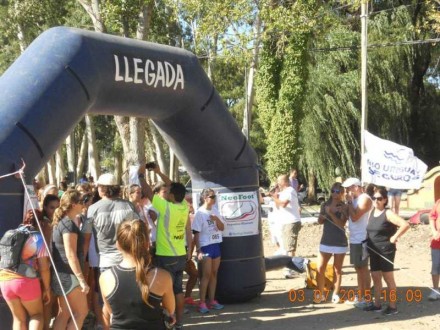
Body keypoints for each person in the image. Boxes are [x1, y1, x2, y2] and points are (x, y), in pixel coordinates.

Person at [140, 164, 192, 329]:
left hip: (166, 256)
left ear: (172, 196)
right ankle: (180, 322)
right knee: (178, 290)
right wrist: (158, 172)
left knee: (165, 291)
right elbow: (175, 187)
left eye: (169, 192)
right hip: (180, 255)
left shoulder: (166, 207)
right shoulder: (183, 205)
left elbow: (148, 192)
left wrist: (141, 177)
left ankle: (168, 322)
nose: (167, 192)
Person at [100, 219, 175, 329]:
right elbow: (170, 309)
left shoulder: (105, 277)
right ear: (147, 244)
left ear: (118, 245)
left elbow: (111, 311)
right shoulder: (162, 276)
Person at [0, 210, 51, 330]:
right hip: (25, 282)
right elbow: (44, 268)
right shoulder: (38, 238)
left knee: (18, 319)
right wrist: (47, 288)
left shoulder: (9, 234)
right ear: (41, 223)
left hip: (5, 281)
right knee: (37, 315)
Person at [364, 186, 409, 315]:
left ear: (384, 200)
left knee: (388, 278)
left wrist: (394, 237)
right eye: (374, 198)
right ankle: (377, 304)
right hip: (373, 249)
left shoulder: (388, 213)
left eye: (379, 198)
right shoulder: (371, 212)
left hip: (385, 250)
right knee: (375, 277)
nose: (376, 201)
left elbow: (405, 225)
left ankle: (393, 306)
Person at [50, 190, 89, 329]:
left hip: (61, 275)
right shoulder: (68, 225)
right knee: (81, 312)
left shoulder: (61, 223)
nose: (83, 205)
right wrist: (82, 280)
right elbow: (70, 255)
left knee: (64, 313)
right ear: (73, 205)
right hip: (69, 275)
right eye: (81, 202)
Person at [192, 188, 225, 313]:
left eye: (214, 196)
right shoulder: (200, 213)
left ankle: (212, 301)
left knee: (214, 274)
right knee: (205, 275)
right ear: (205, 198)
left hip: (216, 244)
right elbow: (196, 233)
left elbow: (222, 228)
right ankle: (201, 303)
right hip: (205, 246)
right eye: (212, 196)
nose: (214, 199)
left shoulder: (216, 210)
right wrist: (198, 250)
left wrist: (216, 220)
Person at [315, 182, 349, 304]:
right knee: (320, 268)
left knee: (337, 269)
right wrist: (324, 215)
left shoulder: (344, 206)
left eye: (338, 191)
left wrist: (331, 213)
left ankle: (335, 294)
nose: (335, 193)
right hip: (326, 240)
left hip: (340, 241)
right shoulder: (325, 204)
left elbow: (341, 225)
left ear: (342, 193)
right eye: (333, 190)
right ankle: (320, 293)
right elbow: (319, 221)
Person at [342, 177, 373, 307]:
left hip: (363, 238)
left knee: (363, 268)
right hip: (354, 237)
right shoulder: (353, 200)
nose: (346, 191)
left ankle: (366, 297)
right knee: (358, 268)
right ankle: (360, 295)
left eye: (348, 188)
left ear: (356, 187)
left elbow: (355, 217)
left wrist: (349, 203)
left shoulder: (365, 199)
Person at [269, 174, 302, 278]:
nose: (278, 183)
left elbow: (283, 204)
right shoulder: (283, 193)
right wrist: (276, 197)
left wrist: (275, 198)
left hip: (291, 221)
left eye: (280, 181)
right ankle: (289, 267)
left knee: (290, 247)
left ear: (285, 182)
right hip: (285, 222)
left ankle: (290, 269)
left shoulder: (290, 190)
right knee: (286, 246)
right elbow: (279, 207)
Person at [428, 198, 440, 301]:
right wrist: (434, 231)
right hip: (437, 242)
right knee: (435, 266)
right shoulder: (438, 202)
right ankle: (435, 290)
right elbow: (432, 217)